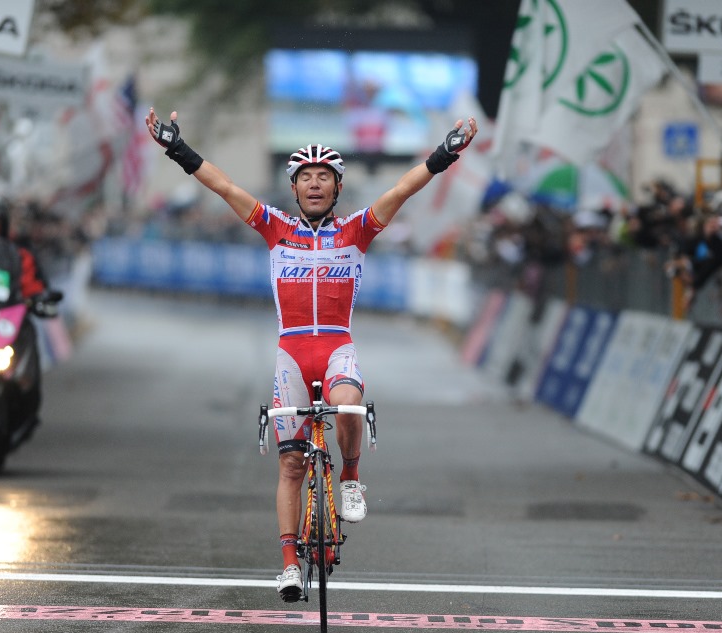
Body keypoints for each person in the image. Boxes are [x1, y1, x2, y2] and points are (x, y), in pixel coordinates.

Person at [146, 105, 478, 601]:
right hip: (291, 354)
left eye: (325, 177)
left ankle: (349, 477)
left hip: (337, 345)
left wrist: (444, 154)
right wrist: (177, 148)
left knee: (347, 400)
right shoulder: (276, 227)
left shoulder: (357, 230)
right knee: (292, 466)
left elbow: (401, 190)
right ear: (295, 188)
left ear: (337, 188)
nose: (316, 184)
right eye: (307, 178)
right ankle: (287, 565)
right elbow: (225, 188)